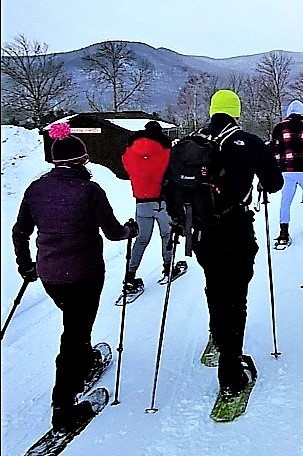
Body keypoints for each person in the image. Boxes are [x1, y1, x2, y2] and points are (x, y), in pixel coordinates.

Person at [12, 122, 138, 431]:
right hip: (85, 274)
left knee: (75, 322)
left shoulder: (36, 188)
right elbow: (112, 232)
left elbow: (20, 231)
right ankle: (63, 408)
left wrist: (25, 264)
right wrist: (130, 230)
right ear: (81, 160)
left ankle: (83, 363)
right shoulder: (89, 190)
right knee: (74, 334)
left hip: (50, 275)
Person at [163, 89, 283, 397]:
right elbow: (275, 183)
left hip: (200, 232)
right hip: (236, 227)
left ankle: (217, 336)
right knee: (236, 297)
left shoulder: (189, 145)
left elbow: (168, 187)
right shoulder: (248, 143)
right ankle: (231, 375)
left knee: (214, 285)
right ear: (237, 112)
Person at [122, 120, 181, 292]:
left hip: (141, 202)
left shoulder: (129, 153)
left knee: (141, 240)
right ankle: (168, 267)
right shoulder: (166, 151)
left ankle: (130, 276)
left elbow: (128, 169)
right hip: (162, 201)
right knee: (166, 235)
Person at [271, 100, 303, 245]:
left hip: (287, 170)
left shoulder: (279, 128)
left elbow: (274, 150)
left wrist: (280, 164)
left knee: (285, 201)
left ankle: (284, 231)